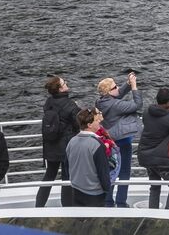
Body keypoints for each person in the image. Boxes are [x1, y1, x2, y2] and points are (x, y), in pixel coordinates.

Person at [96, 72, 143, 208]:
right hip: (123, 141)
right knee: (124, 172)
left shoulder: (100, 102)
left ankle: (108, 201)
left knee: (110, 171)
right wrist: (134, 86)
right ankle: (121, 202)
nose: (117, 88)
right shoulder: (116, 105)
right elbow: (137, 105)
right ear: (109, 92)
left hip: (109, 142)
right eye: (115, 86)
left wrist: (127, 84)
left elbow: (118, 94)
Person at [37, 75, 80, 207]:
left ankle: (39, 206)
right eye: (64, 83)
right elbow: (78, 123)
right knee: (67, 178)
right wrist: (77, 108)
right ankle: (67, 207)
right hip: (66, 147)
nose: (66, 83)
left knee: (49, 175)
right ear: (60, 89)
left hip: (51, 145)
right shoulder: (69, 104)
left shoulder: (49, 102)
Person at [66, 107, 112, 208]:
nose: (99, 121)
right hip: (94, 194)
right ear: (89, 125)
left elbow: (68, 165)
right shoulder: (96, 144)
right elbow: (103, 172)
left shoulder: (71, 142)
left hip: (76, 190)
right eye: (96, 120)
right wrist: (107, 189)